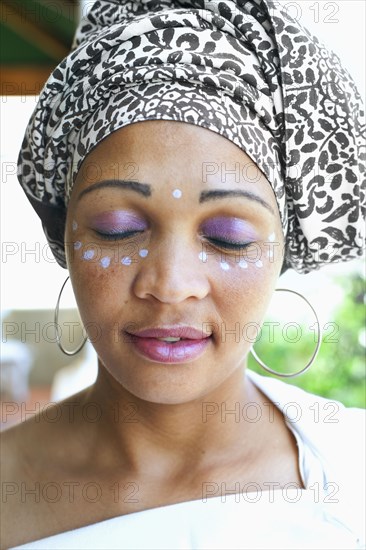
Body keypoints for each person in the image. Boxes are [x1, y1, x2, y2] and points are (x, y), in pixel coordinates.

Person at [1, 0, 365, 548]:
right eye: (118, 228)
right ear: (65, 237)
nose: (170, 285)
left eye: (228, 238)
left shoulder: (352, 479)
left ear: (285, 249)